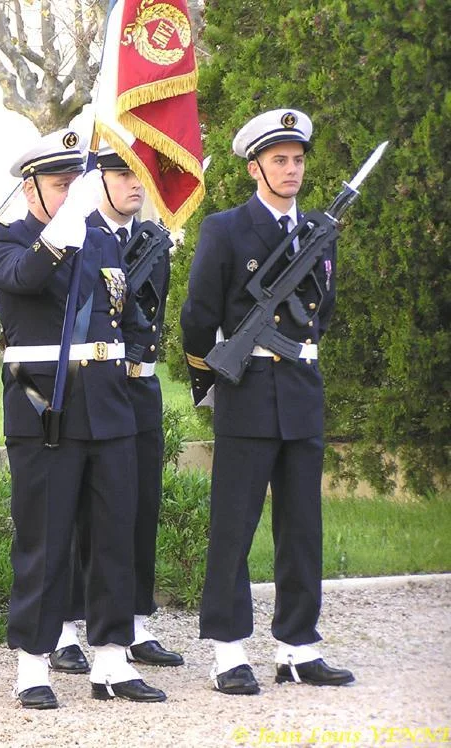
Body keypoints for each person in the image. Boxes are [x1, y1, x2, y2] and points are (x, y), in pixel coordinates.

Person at [0, 129, 166, 709]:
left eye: (75, 184)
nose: (71, 195)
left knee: (114, 535)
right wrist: (59, 238)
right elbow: (22, 281)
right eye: (61, 184)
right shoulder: (4, 239)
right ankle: (33, 664)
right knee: (44, 538)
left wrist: (139, 358)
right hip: (46, 410)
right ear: (30, 187)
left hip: (109, 405)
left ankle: (111, 659)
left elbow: (128, 312)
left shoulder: (102, 243)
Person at [180, 109, 354, 695]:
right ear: (254, 166)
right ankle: (229, 652)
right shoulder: (226, 229)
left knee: (303, 527)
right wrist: (212, 380)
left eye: (298, 159)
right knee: (235, 526)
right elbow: (198, 317)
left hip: (301, 393)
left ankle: (298, 646)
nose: (291, 169)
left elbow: (320, 315)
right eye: (279, 159)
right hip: (248, 394)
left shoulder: (318, 233)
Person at [51, 142, 184, 672]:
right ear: (97, 179)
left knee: (138, 505)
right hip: (91, 386)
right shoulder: (79, 236)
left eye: (140, 174)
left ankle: (135, 621)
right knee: (75, 508)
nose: (135, 183)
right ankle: (63, 626)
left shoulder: (152, 239)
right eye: (121, 172)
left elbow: (151, 320)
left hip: (140, 387)